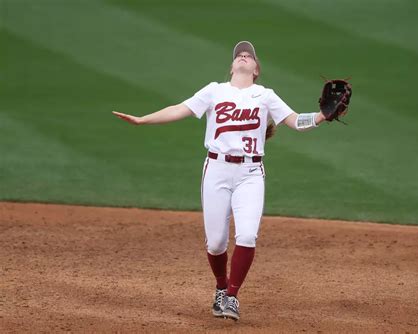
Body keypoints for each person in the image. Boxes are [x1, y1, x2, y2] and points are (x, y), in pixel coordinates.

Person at [112, 41, 327, 321]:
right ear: (232, 66)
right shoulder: (214, 90)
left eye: (249, 55)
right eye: (239, 54)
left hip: (251, 174)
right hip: (216, 170)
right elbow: (180, 109)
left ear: (256, 70)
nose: (243, 56)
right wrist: (143, 120)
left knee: (247, 235)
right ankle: (221, 287)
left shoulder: (265, 96)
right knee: (215, 243)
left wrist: (322, 116)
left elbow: (296, 121)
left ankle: (232, 297)